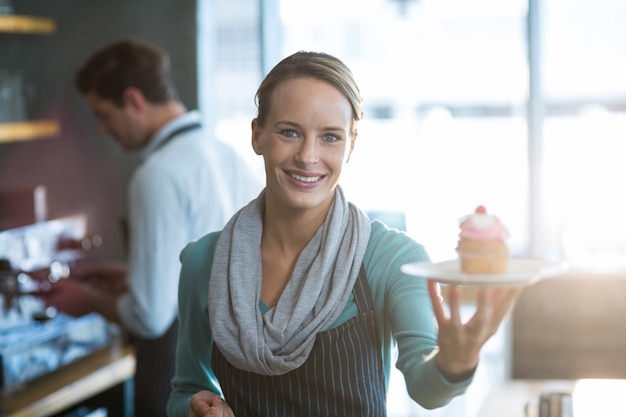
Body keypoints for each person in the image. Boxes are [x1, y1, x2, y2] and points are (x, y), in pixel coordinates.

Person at [166, 51, 521, 417]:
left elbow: (426, 390)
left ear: (351, 144)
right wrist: (195, 409)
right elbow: (188, 388)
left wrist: (455, 362)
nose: (307, 156)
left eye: (330, 137)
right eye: (290, 132)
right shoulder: (205, 262)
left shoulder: (392, 258)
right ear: (257, 136)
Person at [40, 38, 259, 417]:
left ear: (135, 101)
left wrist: (86, 300)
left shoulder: (157, 174)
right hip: (233, 371)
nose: (104, 130)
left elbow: (150, 315)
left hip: (179, 374)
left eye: (104, 115)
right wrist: (135, 277)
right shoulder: (224, 153)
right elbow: (212, 270)